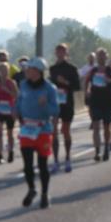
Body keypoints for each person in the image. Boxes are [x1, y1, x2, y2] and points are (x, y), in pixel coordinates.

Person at [15, 57, 58, 209]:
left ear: (38, 71)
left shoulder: (49, 88)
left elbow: (55, 110)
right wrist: (16, 113)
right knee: (27, 164)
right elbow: (19, 102)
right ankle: (32, 189)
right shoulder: (23, 85)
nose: (27, 72)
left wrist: (45, 104)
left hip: (43, 130)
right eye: (27, 69)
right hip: (27, 129)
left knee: (42, 165)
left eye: (30, 69)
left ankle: (45, 194)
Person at [82, 48, 111, 162]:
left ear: (106, 57)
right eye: (99, 55)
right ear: (96, 57)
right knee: (96, 127)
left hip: (107, 102)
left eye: (103, 55)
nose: (101, 57)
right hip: (95, 101)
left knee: (106, 127)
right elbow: (86, 81)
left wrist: (110, 81)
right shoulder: (93, 70)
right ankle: (97, 151)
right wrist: (86, 92)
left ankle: (106, 147)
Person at [48, 43, 81, 173]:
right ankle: (55, 161)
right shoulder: (52, 69)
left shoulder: (72, 68)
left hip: (67, 103)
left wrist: (66, 82)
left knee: (66, 130)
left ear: (66, 53)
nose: (60, 53)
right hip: (55, 103)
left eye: (63, 51)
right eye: (58, 51)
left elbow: (77, 87)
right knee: (54, 131)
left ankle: (67, 158)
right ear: (56, 53)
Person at [0, 62, 19, 164]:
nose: (3, 72)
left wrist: (7, 91)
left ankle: (10, 152)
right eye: (1, 70)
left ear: (8, 71)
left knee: (9, 133)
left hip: (9, 110)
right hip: (0, 110)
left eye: (5, 70)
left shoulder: (12, 82)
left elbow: (16, 96)